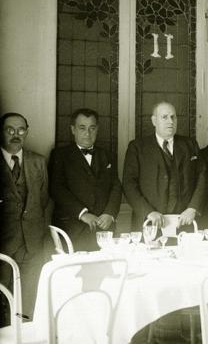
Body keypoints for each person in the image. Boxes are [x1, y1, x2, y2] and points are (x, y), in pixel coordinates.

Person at [123, 102, 206, 230]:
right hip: (151, 222)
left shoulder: (190, 144)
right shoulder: (137, 147)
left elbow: (202, 177)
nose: (170, 121)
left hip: (184, 221)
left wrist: (192, 208)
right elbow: (128, 184)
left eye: (173, 117)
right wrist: (148, 212)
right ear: (154, 121)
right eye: (164, 117)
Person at [49, 108, 122, 251]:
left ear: (97, 129)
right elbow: (56, 189)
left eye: (92, 128)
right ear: (73, 129)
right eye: (82, 128)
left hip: (103, 229)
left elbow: (116, 186)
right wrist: (83, 214)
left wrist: (110, 213)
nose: (87, 133)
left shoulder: (107, 155)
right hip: (72, 229)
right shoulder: (60, 155)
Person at [0, 112, 51, 319]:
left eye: (21, 130)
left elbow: (44, 200)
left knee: (28, 306)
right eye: (10, 130)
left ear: (27, 132)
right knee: (2, 305)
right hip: (3, 246)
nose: (16, 135)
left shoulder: (38, 162)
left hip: (32, 246)